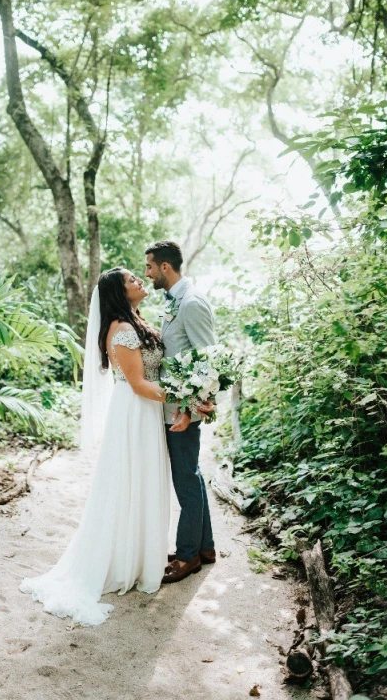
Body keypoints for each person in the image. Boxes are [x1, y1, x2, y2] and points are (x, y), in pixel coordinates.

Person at [19, 267, 171, 626]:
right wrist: (188, 397)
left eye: (138, 276)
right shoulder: (120, 330)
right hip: (135, 411)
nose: (139, 281)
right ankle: (121, 561)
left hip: (147, 412)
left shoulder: (136, 321)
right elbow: (138, 383)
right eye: (132, 280)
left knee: (143, 481)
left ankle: (140, 557)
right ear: (119, 293)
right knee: (129, 482)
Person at [145, 241, 216, 584]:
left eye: (149, 267)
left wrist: (189, 412)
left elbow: (208, 362)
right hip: (173, 408)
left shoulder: (191, 303)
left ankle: (188, 557)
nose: (147, 273)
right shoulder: (173, 301)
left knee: (185, 481)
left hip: (182, 413)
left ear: (165, 268)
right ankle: (205, 547)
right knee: (191, 476)